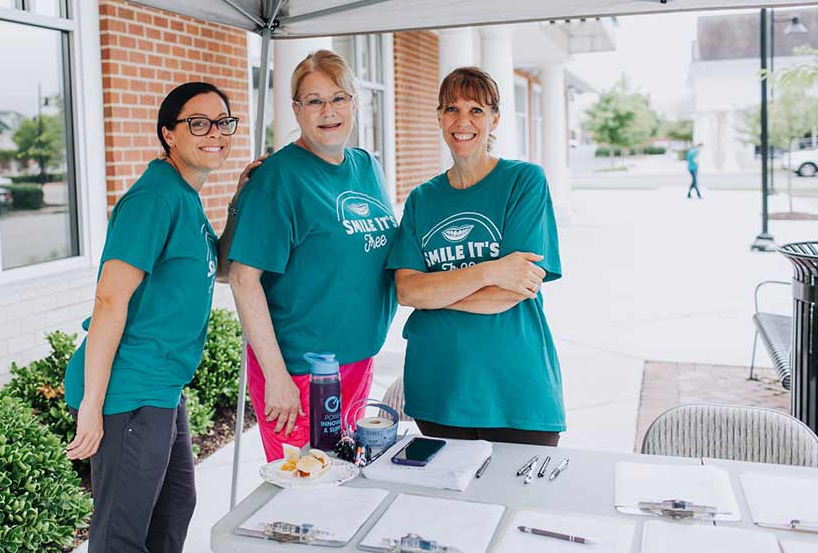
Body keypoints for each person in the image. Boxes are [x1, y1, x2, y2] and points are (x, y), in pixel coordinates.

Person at [62, 82, 260, 553]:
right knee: (120, 534)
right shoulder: (153, 200)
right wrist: (93, 404)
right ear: (169, 134)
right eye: (198, 123)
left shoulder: (184, 196)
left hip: (162, 387)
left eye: (223, 122)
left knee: (174, 507)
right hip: (127, 389)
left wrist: (237, 203)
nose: (215, 132)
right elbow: (110, 300)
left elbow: (223, 268)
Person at [224, 50, 398, 461]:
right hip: (301, 373)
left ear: (355, 103)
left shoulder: (367, 167)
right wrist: (277, 378)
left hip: (357, 360)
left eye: (339, 98)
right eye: (314, 100)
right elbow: (242, 278)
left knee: (348, 479)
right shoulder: (278, 177)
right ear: (296, 109)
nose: (328, 111)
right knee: (305, 492)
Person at [386, 67, 565, 446]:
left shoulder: (524, 182)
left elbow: (515, 289)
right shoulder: (422, 199)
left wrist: (437, 294)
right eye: (451, 109)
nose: (462, 121)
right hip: (439, 386)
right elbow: (407, 292)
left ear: (495, 118)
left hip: (515, 388)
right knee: (449, 506)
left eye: (476, 110)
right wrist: (491, 270)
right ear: (438, 117)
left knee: (515, 502)